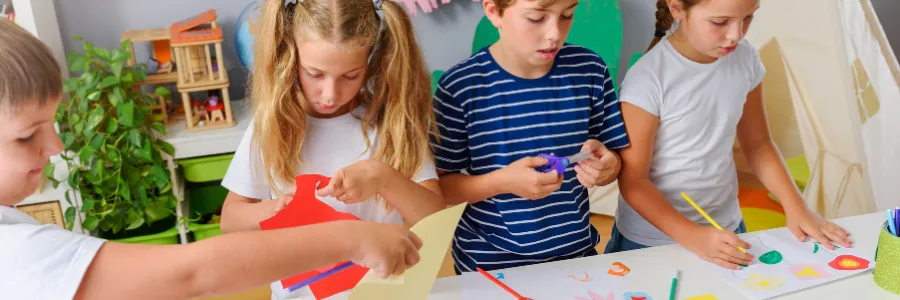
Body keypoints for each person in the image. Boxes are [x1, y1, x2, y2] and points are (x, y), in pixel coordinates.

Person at [0, 17, 422, 300]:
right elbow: (193, 272)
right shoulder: (15, 250)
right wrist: (353, 239)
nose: (55, 147)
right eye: (25, 136)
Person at [219, 0, 444, 298]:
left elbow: (435, 219)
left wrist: (383, 177)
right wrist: (275, 209)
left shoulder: (391, 123)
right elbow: (230, 220)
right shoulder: (271, 125)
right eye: (314, 73)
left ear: (371, 61)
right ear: (291, 56)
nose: (330, 93)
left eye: (350, 76)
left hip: (381, 293)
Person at [610, 0, 853, 270]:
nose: (736, 35)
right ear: (677, 8)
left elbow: (759, 145)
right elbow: (634, 181)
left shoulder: (745, 58)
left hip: (726, 225)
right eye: (720, 22)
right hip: (653, 240)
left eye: (748, 18)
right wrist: (692, 236)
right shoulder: (647, 79)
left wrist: (796, 205)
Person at [431, 0, 629, 273]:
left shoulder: (590, 70)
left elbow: (613, 158)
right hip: (490, 267)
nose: (555, 34)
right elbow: (439, 188)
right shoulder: (461, 88)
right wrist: (502, 182)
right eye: (536, 18)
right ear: (493, 11)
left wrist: (607, 168)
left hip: (576, 257)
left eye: (567, 15)